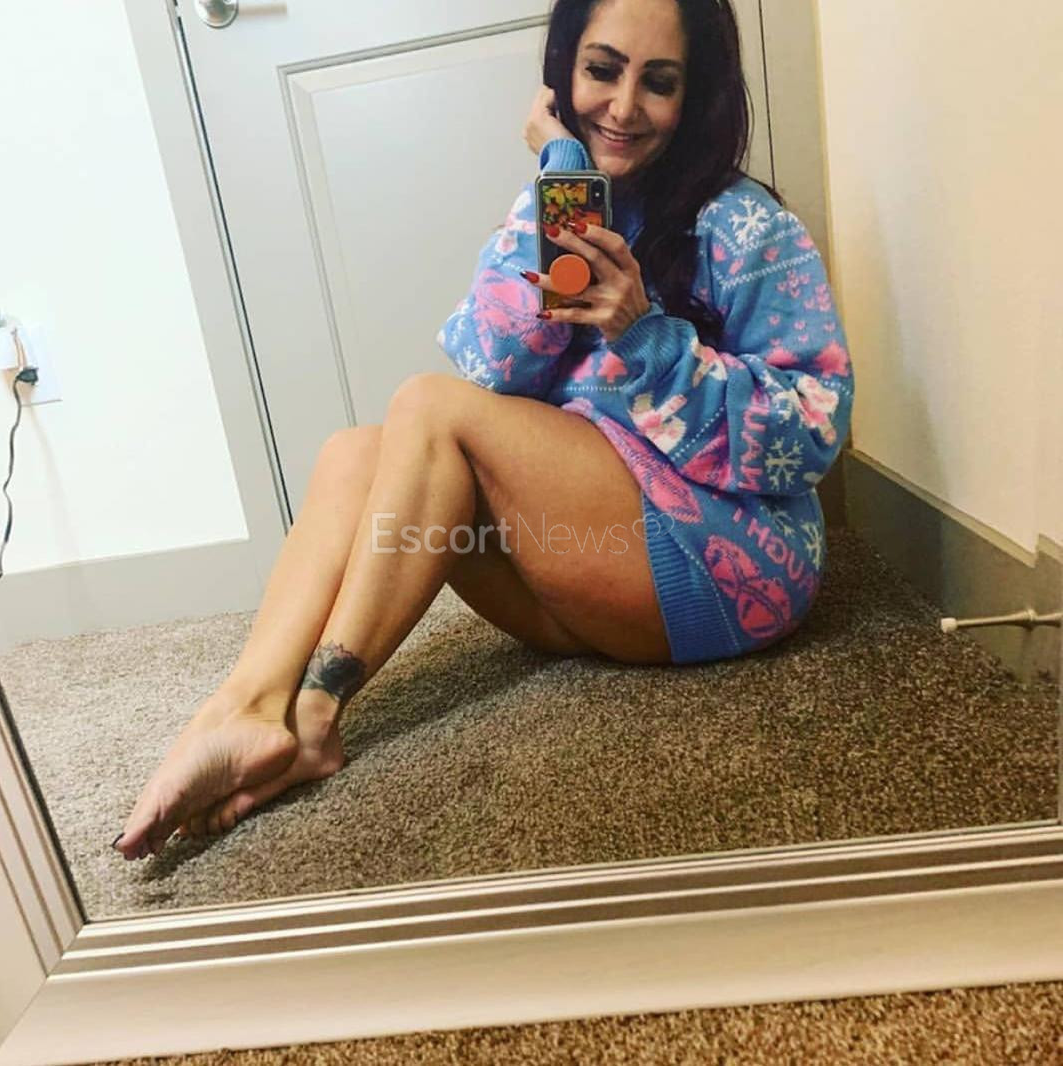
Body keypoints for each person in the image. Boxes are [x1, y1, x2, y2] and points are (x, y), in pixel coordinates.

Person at [113, 0, 852, 860]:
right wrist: (561, 179)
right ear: (563, 73)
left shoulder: (746, 225)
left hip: (726, 567)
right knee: (355, 455)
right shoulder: (555, 201)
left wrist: (647, 337)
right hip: (590, 568)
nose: (623, 106)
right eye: (602, 70)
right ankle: (243, 707)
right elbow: (498, 368)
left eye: (659, 82)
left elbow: (812, 431)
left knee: (429, 409)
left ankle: (313, 717)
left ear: (697, 96)